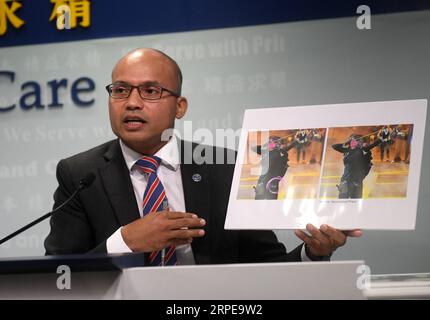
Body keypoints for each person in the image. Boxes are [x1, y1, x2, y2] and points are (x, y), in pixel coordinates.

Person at [44, 48, 361, 265]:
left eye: (151, 91)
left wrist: (314, 252)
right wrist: (126, 242)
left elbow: (267, 267)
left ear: (180, 107)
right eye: (120, 90)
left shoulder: (225, 168)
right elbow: (59, 276)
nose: (132, 103)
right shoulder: (79, 174)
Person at [332, 134, 381, 199]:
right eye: (352, 141)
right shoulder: (348, 150)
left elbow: (370, 147)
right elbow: (334, 146)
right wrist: (347, 143)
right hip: (346, 182)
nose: (353, 142)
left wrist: (379, 140)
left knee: (356, 204)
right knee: (342, 202)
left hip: (357, 184)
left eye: (356, 141)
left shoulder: (362, 150)